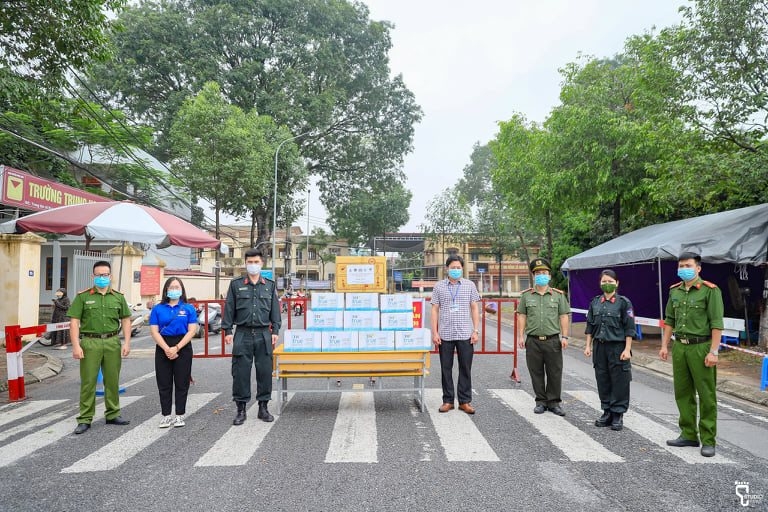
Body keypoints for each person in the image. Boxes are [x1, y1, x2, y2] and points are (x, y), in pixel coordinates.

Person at [659, 252, 724, 457]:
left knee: (706, 394)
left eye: (688, 265)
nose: (683, 269)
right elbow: (669, 320)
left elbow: (716, 324)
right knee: (683, 392)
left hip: (701, 347)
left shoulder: (710, 291)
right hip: (680, 347)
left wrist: (714, 351)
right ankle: (688, 434)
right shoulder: (674, 291)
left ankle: (708, 439)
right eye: (680, 265)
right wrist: (664, 345)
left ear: (698, 268)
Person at [67, 260, 132, 434]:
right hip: (90, 342)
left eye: (105, 275)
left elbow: (125, 319)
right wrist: (75, 346)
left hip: (112, 341)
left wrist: (127, 342)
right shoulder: (83, 297)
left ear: (110, 276)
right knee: (88, 381)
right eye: (98, 275)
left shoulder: (118, 297)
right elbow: (74, 322)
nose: (102, 278)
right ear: (93, 276)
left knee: (112, 380)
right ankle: (85, 418)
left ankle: (112, 414)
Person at [222, 249, 281, 425]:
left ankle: (263, 407)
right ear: (245, 263)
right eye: (250, 262)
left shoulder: (269, 285)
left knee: (264, 372)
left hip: (264, 334)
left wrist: (276, 331)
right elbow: (229, 308)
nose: (253, 265)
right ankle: (240, 409)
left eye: (256, 262)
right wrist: (227, 331)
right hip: (243, 333)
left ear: (261, 263)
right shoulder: (236, 284)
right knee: (240, 372)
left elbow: (275, 312)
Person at [517, 258, 570, 416]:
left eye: (544, 273)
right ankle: (540, 401)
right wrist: (520, 336)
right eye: (538, 273)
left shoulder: (558, 296)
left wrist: (565, 336)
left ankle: (554, 402)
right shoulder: (526, 296)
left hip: (553, 340)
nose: (541, 275)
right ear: (533, 276)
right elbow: (522, 316)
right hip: (533, 340)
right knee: (536, 372)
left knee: (555, 372)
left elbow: (564, 316)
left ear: (549, 275)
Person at [583, 269, 635, 431]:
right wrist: (587, 346)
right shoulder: (595, 302)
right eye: (604, 282)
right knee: (602, 378)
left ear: (617, 283)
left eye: (610, 282)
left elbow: (629, 328)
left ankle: (618, 414)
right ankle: (607, 411)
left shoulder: (624, 303)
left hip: (617, 347)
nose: (607, 284)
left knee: (619, 380)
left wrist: (627, 349)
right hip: (600, 347)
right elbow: (590, 326)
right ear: (600, 283)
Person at [430, 254, 481, 414]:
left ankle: (465, 401)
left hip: (465, 334)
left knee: (465, 368)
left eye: (458, 267)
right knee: (446, 368)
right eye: (453, 268)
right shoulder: (439, 287)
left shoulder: (469, 285)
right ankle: (448, 400)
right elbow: (434, 309)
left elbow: (474, 307)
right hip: (445, 334)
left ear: (462, 268)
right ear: (447, 269)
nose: (456, 270)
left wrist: (476, 330)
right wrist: (435, 332)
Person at [149, 277, 198, 428]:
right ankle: (165, 415)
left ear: (182, 290)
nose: (174, 290)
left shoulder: (188, 308)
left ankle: (179, 415)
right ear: (166, 290)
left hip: (182, 346)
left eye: (177, 287)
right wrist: (167, 348)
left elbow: (192, 330)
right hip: (163, 345)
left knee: (182, 382)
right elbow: (154, 331)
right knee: (164, 382)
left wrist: (176, 348)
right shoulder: (158, 309)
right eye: (171, 287)